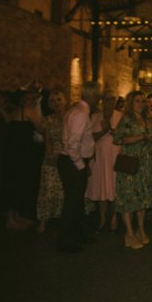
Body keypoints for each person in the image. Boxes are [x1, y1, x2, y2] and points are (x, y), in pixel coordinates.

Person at [113, 91, 152, 250]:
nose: (141, 104)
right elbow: (119, 139)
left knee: (142, 198)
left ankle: (140, 229)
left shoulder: (149, 119)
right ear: (130, 103)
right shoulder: (126, 119)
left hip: (145, 165)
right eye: (137, 101)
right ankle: (129, 233)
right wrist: (141, 138)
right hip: (130, 164)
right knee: (128, 198)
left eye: (143, 101)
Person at [57, 81, 101, 253]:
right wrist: (80, 165)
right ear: (91, 95)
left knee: (77, 202)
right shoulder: (81, 113)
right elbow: (71, 143)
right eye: (97, 96)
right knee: (72, 203)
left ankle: (76, 235)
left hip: (72, 161)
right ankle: (65, 241)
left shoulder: (77, 110)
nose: (98, 99)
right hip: (72, 162)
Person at [1, 89, 42, 229]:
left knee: (14, 182)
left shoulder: (16, 111)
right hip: (21, 153)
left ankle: (16, 216)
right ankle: (11, 220)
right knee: (16, 183)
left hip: (13, 152)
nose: (31, 101)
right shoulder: (28, 111)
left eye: (32, 99)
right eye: (29, 99)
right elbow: (42, 127)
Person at [85, 91, 122, 233]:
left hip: (114, 156)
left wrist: (111, 130)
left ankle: (113, 219)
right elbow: (89, 138)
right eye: (107, 100)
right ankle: (101, 219)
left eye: (112, 100)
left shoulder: (120, 116)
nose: (109, 103)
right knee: (101, 188)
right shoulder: (94, 117)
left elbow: (123, 136)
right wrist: (103, 131)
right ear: (102, 101)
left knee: (113, 187)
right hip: (99, 158)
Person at [36, 89, 67, 234]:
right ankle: (43, 220)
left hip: (68, 156)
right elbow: (47, 140)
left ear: (64, 100)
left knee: (64, 190)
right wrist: (50, 156)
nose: (56, 103)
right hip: (53, 155)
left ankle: (63, 218)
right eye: (53, 101)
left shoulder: (71, 117)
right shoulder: (48, 120)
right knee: (48, 189)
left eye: (59, 99)